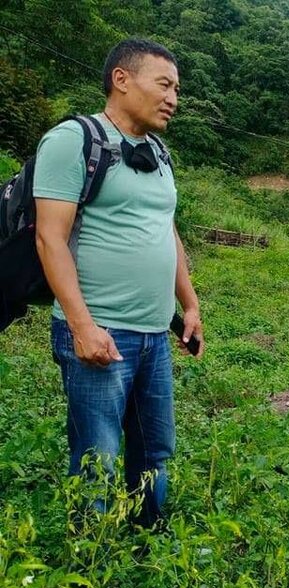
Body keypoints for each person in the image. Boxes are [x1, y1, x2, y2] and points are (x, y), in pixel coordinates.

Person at [34, 38, 204, 528]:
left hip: (153, 335)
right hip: (99, 332)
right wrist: (82, 326)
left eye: (177, 88)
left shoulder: (159, 152)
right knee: (98, 455)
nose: (174, 97)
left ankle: (148, 541)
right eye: (164, 84)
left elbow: (166, 231)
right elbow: (51, 239)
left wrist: (188, 304)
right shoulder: (74, 140)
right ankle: (93, 559)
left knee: (155, 450)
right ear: (122, 80)